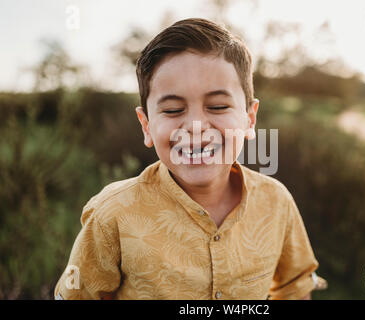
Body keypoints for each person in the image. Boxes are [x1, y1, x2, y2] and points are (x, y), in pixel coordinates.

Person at [54, 18, 326, 300]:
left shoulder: (276, 202)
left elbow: (295, 287)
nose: (196, 127)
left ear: (249, 118)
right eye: (172, 110)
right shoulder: (113, 216)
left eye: (218, 106)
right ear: (146, 125)